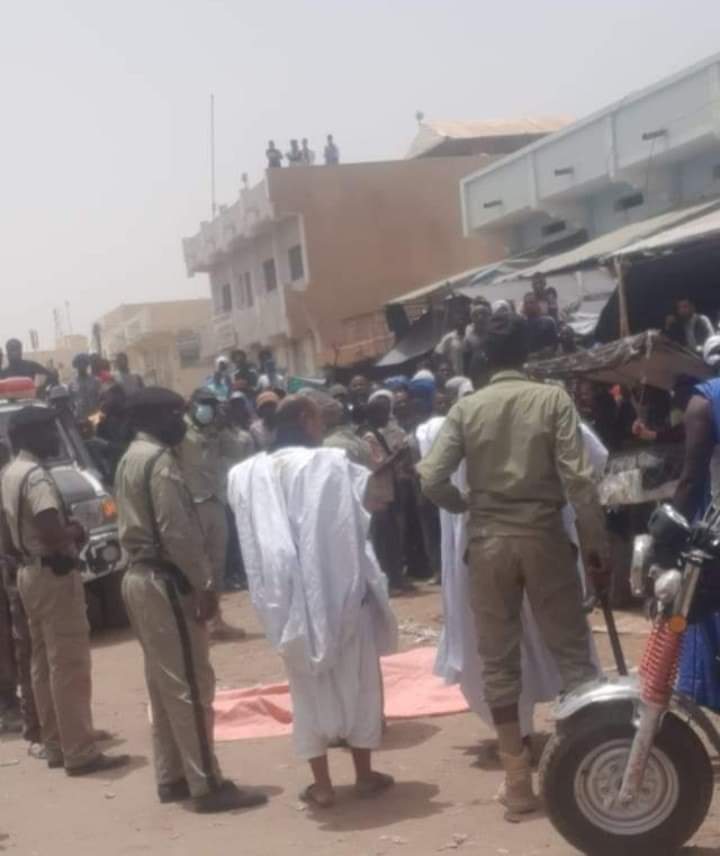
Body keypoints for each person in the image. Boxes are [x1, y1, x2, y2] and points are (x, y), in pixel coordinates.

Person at [418, 314, 607, 817]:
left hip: (488, 543)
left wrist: (465, 507)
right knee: (572, 656)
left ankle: (518, 782)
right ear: (527, 355)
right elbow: (581, 481)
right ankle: (587, 770)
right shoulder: (551, 400)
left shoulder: (467, 408)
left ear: (482, 359)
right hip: (545, 536)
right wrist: (595, 547)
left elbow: (431, 478)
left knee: (498, 662)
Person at [228, 395, 397, 808]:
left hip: (288, 603)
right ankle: (364, 774)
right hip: (339, 595)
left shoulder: (250, 474)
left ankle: (321, 785)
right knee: (359, 684)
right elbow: (371, 505)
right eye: (319, 419)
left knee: (305, 690)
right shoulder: (331, 465)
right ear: (305, 420)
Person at [116, 387, 267, 812]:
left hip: (141, 577)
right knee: (191, 685)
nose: (181, 423)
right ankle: (207, 783)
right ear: (156, 416)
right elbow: (178, 532)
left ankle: (174, 777)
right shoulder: (160, 462)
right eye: (175, 414)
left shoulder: (131, 456)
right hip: (166, 581)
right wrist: (205, 585)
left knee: (164, 683)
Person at [0, 407, 129, 775]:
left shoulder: (10, 473)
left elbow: (7, 538)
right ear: (31, 436)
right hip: (53, 574)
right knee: (68, 663)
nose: (54, 438)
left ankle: (56, 744)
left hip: (27, 573)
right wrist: (74, 532)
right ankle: (80, 750)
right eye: (48, 431)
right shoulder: (37, 477)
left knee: (42, 664)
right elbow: (51, 530)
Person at [179, 389, 246, 642]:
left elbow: (238, 452)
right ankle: (197, 623)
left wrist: (225, 427)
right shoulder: (180, 430)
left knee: (217, 563)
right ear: (193, 405)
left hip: (215, 501)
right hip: (191, 503)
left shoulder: (217, 431)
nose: (208, 409)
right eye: (204, 404)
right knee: (196, 564)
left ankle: (215, 619)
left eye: (212, 405)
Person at [69, 353, 103, 424]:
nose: (81, 366)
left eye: (84, 363)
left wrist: (98, 416)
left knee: (96, 434)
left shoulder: (95, 381)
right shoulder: (72, 384)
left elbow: (101, 399)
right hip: (79, 417)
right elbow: (71, 402)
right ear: (75, 366)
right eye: (79, 364)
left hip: (94, 416)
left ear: (87, 365)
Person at [522, 292, 558, 358]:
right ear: (523, 306)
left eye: (531, 302)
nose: (529, 305)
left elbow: (554, 346)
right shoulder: (520, 325)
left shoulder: (548, 322)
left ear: (537, 305)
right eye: (526, 303)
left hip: (545, 360)